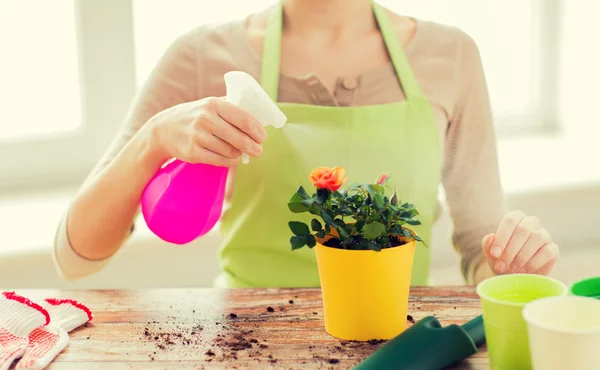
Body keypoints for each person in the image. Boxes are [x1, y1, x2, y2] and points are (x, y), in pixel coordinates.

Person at [53, 0, 559, 287]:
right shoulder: (203, 55)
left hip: (392, 345)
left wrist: (514, 267)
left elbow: (481, 250)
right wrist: (155, 138)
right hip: (239, 350)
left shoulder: (451, 56)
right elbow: (75, 254)